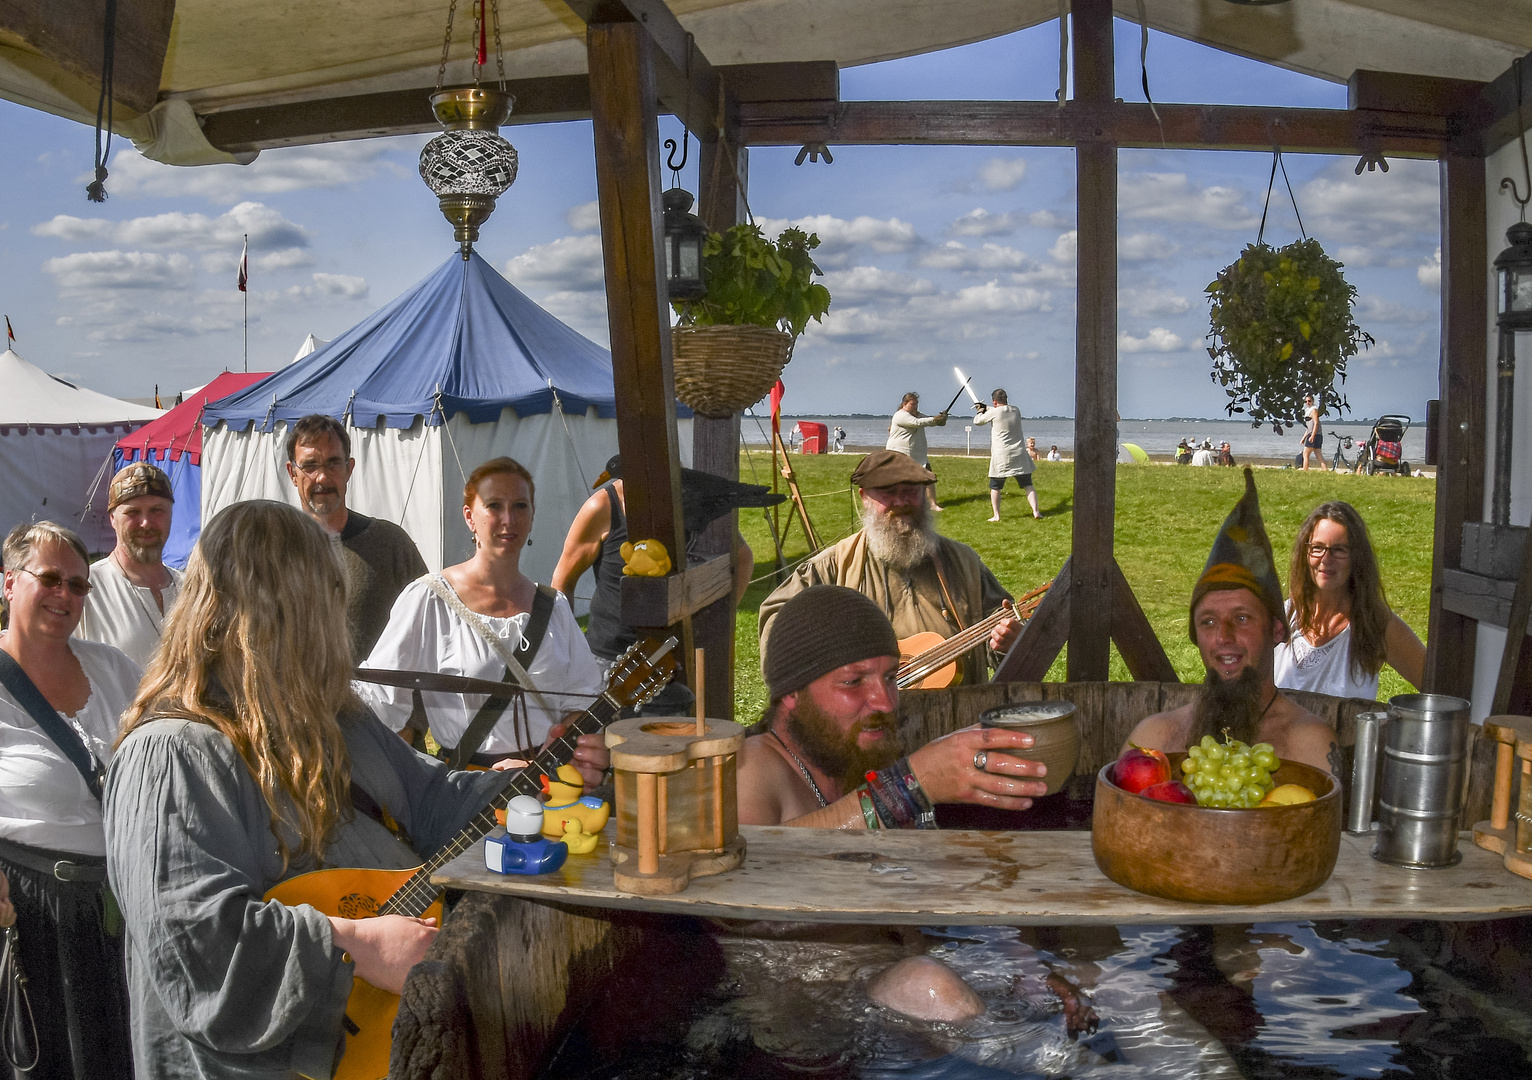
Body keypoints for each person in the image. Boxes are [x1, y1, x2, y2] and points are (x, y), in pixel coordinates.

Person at [103, 500, 523, 1079]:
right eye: (328, 597)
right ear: (278, 612)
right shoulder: (172, 754)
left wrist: (540, 782)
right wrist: (359, 944)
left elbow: (436, 801)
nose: (341, 623)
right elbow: (201, 949)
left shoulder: (336, 718)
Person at [359, 457, 609, 784]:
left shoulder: (554, 606)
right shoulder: (430, 599)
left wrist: (573, 748)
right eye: (494, 505)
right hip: (465, 790)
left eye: (520, 506)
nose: (509, 519)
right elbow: (381, 703)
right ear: (470, 517)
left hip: (548, 786)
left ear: (533, 516)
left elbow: (582, 699)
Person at [0, 521, 140, 1080]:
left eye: (79, 586)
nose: (65, 596)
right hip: (30, 912)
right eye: (51, 579)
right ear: (8, 583)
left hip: (123, 907)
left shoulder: (114, 668)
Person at [740, 585, 1047, 828]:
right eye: (853, 681)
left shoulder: (847, 758)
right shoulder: (751, 770)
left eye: (890, 677)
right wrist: (910, 786)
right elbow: (751, 870)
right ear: (791, 691)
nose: (886, 702)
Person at [1125, 469, 1338, 774]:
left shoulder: (1309, 746)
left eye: (1241, 618)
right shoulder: (1154, 739)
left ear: (1277, 629)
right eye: (1208, 622)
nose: (1223, 636)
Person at [758, 450, 1021, 687]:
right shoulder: (833, 566)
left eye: (911, 491)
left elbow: (1003, 626)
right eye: (888, 492)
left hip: (955, 715)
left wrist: (1008, 643)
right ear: (865, 498)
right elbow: (777, 620)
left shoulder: (964, 563)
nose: (901, 501)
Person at [552, 455, 763, 714]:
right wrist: (566, 651)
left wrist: (714, 624)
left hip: (671, 661)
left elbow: (741, 559)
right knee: (600, 746)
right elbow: (562, 582)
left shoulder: (690, 499)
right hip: (606, 657)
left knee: (664, 746)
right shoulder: (603, 506)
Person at [285, 414, 427, 660]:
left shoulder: (390, 546)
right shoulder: (274, 550)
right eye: (309, 466)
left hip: (378, 698)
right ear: (292, 473)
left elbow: (430, 629)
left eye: (333, 463)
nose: (322, 477)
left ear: (349, 469)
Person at [1275, 501, 1425, 699]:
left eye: (1339, 550)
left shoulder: (1375, 624)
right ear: (1305, 553)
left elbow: (1441, 687)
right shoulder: (1282, 617)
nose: (1326, 559)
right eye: (1317, 548)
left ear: (1357, 557)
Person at [74, 461, 183, 668]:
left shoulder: (192, 588)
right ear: (113, 519)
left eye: (156, 510)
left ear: (170, 515)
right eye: (133, 513)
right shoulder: (84, 588)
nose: (146, 523)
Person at [973, 388, 1042, 522]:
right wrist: (986, 407)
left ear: (994, 401)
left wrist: (980, 411)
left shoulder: (993, 412)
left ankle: (996, 515)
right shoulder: (1016, 410)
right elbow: (999, 411)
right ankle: (1036, 511)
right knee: (1028, 484)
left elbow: (978, 421)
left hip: (1002, 455)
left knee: (995, 486)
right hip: (1019, 453)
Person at [886, 391, 948, 510]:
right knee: (900, 480)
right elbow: (917, 423)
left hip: (918, 454)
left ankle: (932, 504)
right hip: (900, 453)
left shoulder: (917, 414)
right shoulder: (900, 415)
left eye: (916, 404)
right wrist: (935, 419)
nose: (915, 407)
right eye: (913, 404)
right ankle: (897, 502)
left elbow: (933, 422)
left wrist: (942, 418)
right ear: (905, 404)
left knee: (928, 478)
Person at [1301, 394, 1328, 472]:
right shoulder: (1307, 411)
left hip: (1315, 434)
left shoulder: (1314, 410)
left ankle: (1305, 470)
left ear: (1312, 401)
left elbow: (1316, 423)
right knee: (1318, 455)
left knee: (1305, 454)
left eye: (1309, 401)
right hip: (1315, 434)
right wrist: (1303, 438)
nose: (1307, 403)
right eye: (1306, 401)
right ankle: (1325, 470)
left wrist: (1312, 436)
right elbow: (1309, 428)